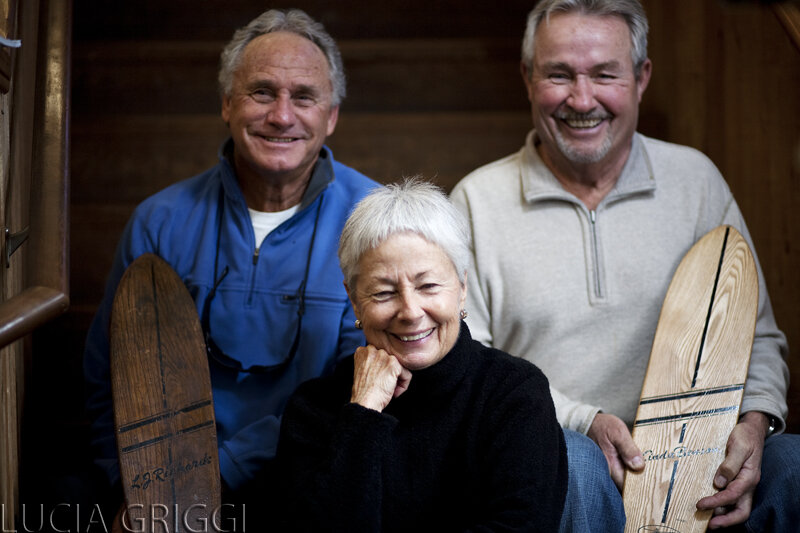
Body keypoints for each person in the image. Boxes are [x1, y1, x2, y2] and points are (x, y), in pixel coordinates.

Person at [450, 0, 799, 531]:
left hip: (702, 457)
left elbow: (758, 337)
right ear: (527, 77)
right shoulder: (476, 201)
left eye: (605, 75)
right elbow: (468, 360)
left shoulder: (696, 181)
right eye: (559, 74)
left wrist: (753, 425)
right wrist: (581, 421)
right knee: (576, 463)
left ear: (641, 78)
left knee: (794, 465)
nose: (581, 99)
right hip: (559, 452)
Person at [83, 7, 378, 519]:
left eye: (304, 97)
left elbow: (361, 386)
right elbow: (107, 375)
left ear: (331, 116)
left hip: (318, 493)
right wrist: (138, 492)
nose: (282, 116)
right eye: (261, 92)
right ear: (226, 103)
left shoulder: (376, 223)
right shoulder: (159, 221)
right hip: (167, 496)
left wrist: (224, 472)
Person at [275, 180, 568, 532]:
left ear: (462, 288)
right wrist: (363, 413)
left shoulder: (513, 393)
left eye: (428, 286)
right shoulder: (314, 408)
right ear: (354, 300)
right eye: (383, 293)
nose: (411, 311)